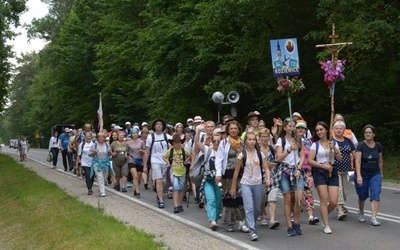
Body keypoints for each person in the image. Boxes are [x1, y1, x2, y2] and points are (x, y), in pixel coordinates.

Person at [230, 132, 271, 241]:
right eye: (250, 139)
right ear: (245, 141)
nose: (252, 141)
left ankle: (250, 223)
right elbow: (236, 172)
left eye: (253, 139)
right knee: (249, 207)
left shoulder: (260, 154)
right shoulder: (242, 155)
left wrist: (267, 178)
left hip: (257, 183)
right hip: (246, 183)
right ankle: (252, 230)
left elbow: (266, 168)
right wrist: (233, 187)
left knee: (257, 208)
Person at [308, 121, 342, 234]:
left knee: (333, 201)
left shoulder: (333, 143)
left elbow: (339, 158)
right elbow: (310, 160)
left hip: (333, 170)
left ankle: (324, 215)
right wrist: (323, 166)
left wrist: (335, 149)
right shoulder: (315, 144)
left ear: (326, 130)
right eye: (317, 130)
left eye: (321, 129)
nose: (319, 132)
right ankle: (326, 224)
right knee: (324, 199)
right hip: (320, 172)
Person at [215, 120, 249, 233]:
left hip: (241, 173)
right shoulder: (224, 143)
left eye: (235, 128)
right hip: (228, 174)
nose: (233, 130)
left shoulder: (243, 142)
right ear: (228, 131)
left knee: (241, 197)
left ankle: (242, 222)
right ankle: (230, 222)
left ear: (239, 129)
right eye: (231, 129)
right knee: (230, 197)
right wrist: (218, 173)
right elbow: (219, 159)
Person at [275, 118, 305, 237]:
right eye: (289, 126)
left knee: (299, 199)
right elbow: (279, 158)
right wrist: (289, 149)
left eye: (294, 126)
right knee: (288, 200)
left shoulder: (299, 140)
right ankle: (289, 226)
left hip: (296, 170)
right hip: (285, 171)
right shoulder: (280, 140)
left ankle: (296, 222)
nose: (292, 128)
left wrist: (299, 168)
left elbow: (302, 156)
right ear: (285, 128)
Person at [193, 124, 222, 230]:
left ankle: (215, 217)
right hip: (208, 180)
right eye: (214, 141)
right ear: (211, 141)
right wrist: (198, 131)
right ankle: (212, 220)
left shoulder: (223, 152)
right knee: (211, 200)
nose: (216, 143)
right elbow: (197, 143)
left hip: (220, 181)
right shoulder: (207, 150)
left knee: (219, 201)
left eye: (219, 141)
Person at [354, 125, 383, 226]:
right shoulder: (360, 145)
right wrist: (358, 176)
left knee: (375, 193)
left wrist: (381, 173)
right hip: (363, 173)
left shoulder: (378, 145)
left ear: (374, 134)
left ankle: (374, 217)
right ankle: (361, 211)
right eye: (366, 132)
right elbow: (357, 161)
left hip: (375, 173)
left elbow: (380, 161)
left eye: (370, 132)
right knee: (362, 195)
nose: (368, 134)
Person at [143, 118, 172, 209]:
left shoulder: (167, 136)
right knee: (158, 180)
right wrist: (145, 165)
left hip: (165, 161)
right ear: (154, 126)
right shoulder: (150, 137)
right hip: (155, 160)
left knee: (165, 181)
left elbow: (171, 149)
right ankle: (161, 200)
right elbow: (147, 151)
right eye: (157, 124)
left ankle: (159, 193)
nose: (159, 126)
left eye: (161, 124)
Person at [295, 120, 319, 225]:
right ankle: (293, 215)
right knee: (295, 194)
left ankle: (310, 216)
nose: (300, 130)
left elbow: (312, 156)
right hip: (295, 170)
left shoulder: (309, 142)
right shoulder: (292, 141)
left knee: (308, 192)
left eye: (303, 128)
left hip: (307, 170)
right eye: (298, 128)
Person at [332, 121, 356, 220]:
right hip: (336, 169)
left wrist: (358, 165)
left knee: (346, 190)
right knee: (339, 190)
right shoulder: (332, 141)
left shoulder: (348, 141)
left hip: (349, 169)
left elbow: (354, 153)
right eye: (336, 128)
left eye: (341, 128)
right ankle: (339, 210)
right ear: (334, 130)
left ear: (344, 130)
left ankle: (341, 205)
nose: (338, 130)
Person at [164, 134, 190, 213]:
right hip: (174, 171)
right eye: (175, 143)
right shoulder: (171, 151)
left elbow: (189, 156)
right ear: (173, 144)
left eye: (179, 142)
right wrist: (168, 162)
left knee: (181, 189)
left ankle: (179, 204)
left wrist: (186, 161)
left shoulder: (183, 151)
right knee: (176, 188)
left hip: (182, 171)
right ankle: (175, 206)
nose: (177, 144)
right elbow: (164, 157)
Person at [259, 128, 280, 229]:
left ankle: (272, 220)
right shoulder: (256, 150)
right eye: (263, 136)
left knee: (273, 199)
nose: (265, 138)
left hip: (273, 177)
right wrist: (268, 165)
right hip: (260, 177)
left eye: (266, 136)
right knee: (262, 199)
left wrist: (272, 164)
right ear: (259, 138)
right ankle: (263, 214)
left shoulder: (272, 148)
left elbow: (277, 160)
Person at [89, 132, 113, 197]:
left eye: (102, 137)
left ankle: (100, 189)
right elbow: (90, 155)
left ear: (104, 138)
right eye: (99, 137)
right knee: (100, 177)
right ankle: (103, 192)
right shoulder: (94, 145)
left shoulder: (107, 145)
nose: (101, 138)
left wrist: (110, 152)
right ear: (97, 138)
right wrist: (94, 152)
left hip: (105, 163)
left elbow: (111, 155)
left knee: (105, 178)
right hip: (97, 163)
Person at [126, 129, 145, 198]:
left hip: (139, 160)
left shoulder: (141, 142)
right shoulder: (128, 143)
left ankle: (135, 188)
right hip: (131, 160)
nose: (134, 135)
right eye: (133, 133)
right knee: (135, 176)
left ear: (138, 134)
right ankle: (138, 192)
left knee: (139, 178)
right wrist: (126, 155)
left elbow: (144, 150)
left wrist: (142, 152)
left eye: (136, 133)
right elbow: (126, 150)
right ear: (131, 134)